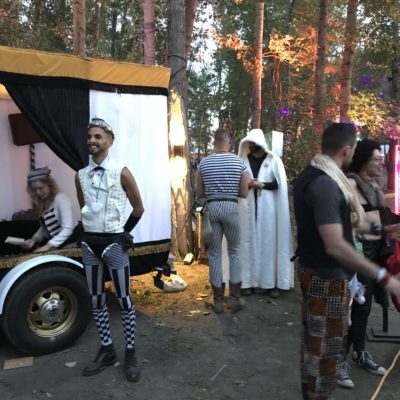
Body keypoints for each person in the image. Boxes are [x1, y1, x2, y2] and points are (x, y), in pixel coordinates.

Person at [293, 122, 400, 400]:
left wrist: (384, 230)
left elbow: (348, 222)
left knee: (320, 348)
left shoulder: (319, 175)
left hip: (322, 275)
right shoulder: (325, 184)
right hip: (325, 278)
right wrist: (384, 278)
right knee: (324, 354)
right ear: (347, 150)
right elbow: (336, 244)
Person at [75, 117, 144, 382]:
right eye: (89, 137)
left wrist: (124, 233)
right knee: (96, 299)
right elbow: (83, 207)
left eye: (98, 136)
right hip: (89, 244)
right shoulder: (80, 175)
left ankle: (130, 352)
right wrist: (84, 231)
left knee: (124, 300)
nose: (92, 140)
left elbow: (139, 208)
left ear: (109, 141)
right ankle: (107, 350)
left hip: (114, 244)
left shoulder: (121, 172)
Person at [340, 139, 400, 386]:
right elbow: (351, 222)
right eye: (377, 159)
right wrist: (383, 228)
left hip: (374, 253)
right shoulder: (352, 184)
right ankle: (338, 362)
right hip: (357, 255)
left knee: (364, 310)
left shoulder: (374, 186)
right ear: (364, 161)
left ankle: (360, 352)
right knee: (348, 310)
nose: (381, 163)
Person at [196, 128, 251, 313]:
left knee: (214, 254)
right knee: (234, 251)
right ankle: (235, 298)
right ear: (229, 143)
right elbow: (244, 192)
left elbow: (200, 193)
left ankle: (218, 300)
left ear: (215, 143)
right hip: (231, 207)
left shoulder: (204, 163)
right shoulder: (239, 163)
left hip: (212, 208)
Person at [237, 129, 293, 298]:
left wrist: (262, 185)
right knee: (246, 243)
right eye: (249, 143)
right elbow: (237, 181)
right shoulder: (242, 161)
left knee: (268, 244)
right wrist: (248, 184)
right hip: (247, 208)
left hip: (268, 210)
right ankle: (247, 282)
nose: (250, 145)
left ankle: (269, 283)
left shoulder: (273, 160)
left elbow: (279, 185)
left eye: (253, 143)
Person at [23, 166, 73, 253]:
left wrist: (47, 246)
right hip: (57, 244)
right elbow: (45, 227)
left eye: (40, 188)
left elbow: (68, 229)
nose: (38, 192)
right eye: (34, 190)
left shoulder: (61, 199)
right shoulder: (43, 202)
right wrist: (33, 239)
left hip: (71, 243)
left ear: (50, 185)